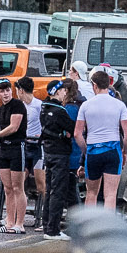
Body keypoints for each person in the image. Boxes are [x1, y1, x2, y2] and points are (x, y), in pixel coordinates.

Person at [75, 67, 127, 209]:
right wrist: (124, 151)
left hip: (93, 149)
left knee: (91, 193)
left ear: (94, 85)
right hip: (112, 150)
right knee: (110, 194)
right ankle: (107, 228)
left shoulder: (86, 106)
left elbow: (77, 134)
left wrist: (86, 151)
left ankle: (89, 227)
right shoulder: (119, 105)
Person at [0, 78, 29, 233]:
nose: (5, 93)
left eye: (7, 90)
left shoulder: (17, 105)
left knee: (17, 187)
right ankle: (9, 222)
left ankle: (19, 224)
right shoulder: (0, 109)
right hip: (5, 148)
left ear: (11, 91)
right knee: (8, 188)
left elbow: (14, 127)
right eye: (2, 91)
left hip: (17, 147)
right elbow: (4, 130)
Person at [34, 78, 79, 235]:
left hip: (48, 153)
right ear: (57, 92)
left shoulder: (44, 108)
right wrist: (66, 133)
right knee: (58, 192)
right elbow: (73, 129)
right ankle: (53, 230)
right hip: (60, 154)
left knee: (50, 190)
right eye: (62, 91)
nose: (64, 93)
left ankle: (47, 226)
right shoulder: (60, 111)